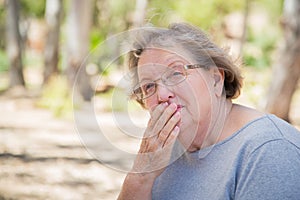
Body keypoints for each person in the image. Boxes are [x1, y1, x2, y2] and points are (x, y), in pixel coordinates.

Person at [117, 22, 300, 200]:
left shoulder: (269, 151)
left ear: (216, 79)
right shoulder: (164, 151)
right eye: (149, 86)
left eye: (176, 73)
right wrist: (141, 176)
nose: (162, 94)